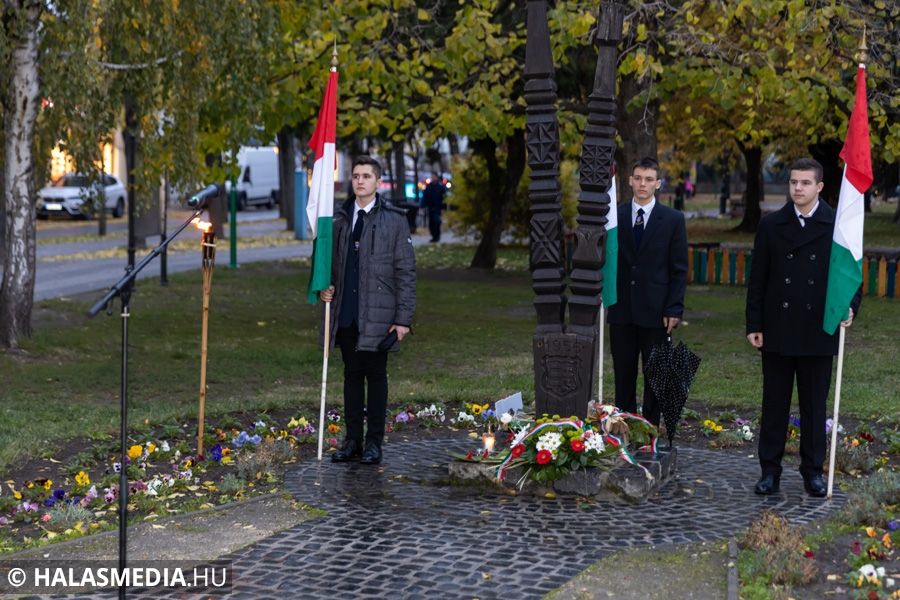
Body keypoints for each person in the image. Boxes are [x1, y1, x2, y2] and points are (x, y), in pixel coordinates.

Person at [746, 157, 860, 497]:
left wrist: (850, 308)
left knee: (814, 406)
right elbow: (758, 280)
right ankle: (770, 471)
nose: (797, 188)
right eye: (794, 182)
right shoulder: (771, 225)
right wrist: (754, 323)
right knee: (774, 404)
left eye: (805, 183)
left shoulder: (836, 226)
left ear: (820, 187)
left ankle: (813, 471)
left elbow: (851, 276)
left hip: (818, 330)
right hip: (778, 329)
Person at [320, 156, 416, 465]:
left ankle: (374, 443)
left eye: (366, 176)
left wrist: (403, 320)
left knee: (375, 378)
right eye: (356, 176)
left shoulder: (394, 220)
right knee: (351, 376)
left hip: (378, 314)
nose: (360, 181)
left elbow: (406, 272)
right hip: (347, 312)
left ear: (377, 182)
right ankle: (353, 442)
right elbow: (333, 266)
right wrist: (327, 287)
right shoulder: (339, 219)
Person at [607, 157, 688, 426]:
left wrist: (674, 308)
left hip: (657, 311)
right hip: (622, 308)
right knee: (624, 372)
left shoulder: (673, 220)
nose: (643, 184)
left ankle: (650, 427)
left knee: (655, 374)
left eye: (649, 179)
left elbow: (678, 269)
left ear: (658, 183)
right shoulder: (613, 216)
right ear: (630, 180)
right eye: (638, 178)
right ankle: (626, 424)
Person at [422, 172, 447, 242]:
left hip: (437, 207)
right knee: (431, 223)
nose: (433, 178)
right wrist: (423, 205)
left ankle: (437, 236)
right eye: (432, 176)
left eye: (434, 176)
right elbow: (425, 196)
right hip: (430, 207)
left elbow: (444, 198)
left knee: (436, 222)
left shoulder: (440, 187)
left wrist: (443, 207)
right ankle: (434, 236)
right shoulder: (429, 186)